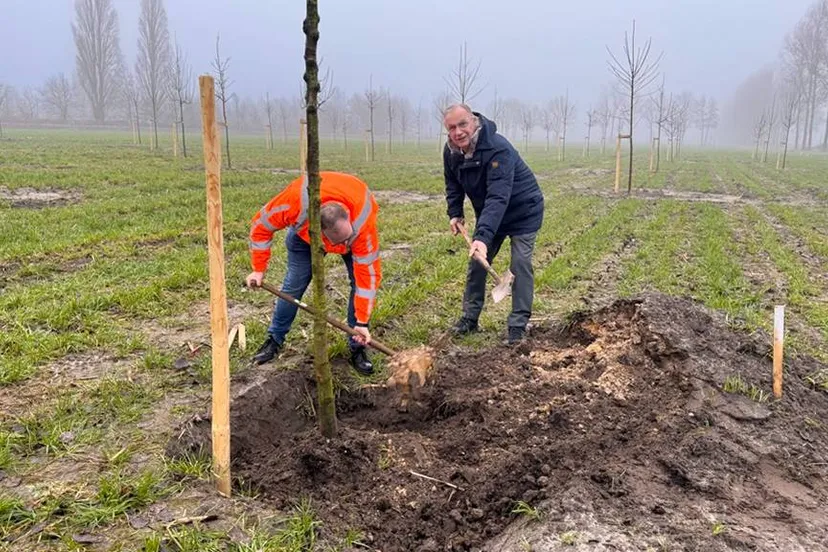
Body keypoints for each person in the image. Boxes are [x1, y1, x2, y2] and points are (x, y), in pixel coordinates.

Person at [245, 171, 381, 375]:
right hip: (304, 238)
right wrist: (258, 269)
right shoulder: (293, 203)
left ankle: (357, 347)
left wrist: (361, 321)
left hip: (355, 234)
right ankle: (274, 339)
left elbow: (367, 280)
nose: (343, 245)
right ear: (319, 230)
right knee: (293, 286)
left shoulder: (361, 224)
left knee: (357, 283)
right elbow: (260, 226)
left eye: (346, 238)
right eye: (338, 242)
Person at [442, 104, 544, 344]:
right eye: (452, 128)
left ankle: (518, 325)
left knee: (520, 264)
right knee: (477, 262)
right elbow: (452, 183)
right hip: (492, 213)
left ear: (474, 121)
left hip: (523, 211)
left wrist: (482, 237)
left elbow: (498, 196)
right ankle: (469, 318)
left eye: (462, 124)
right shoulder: (451, 152)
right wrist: (455, 212)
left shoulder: (498, 149)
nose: (458, 132)